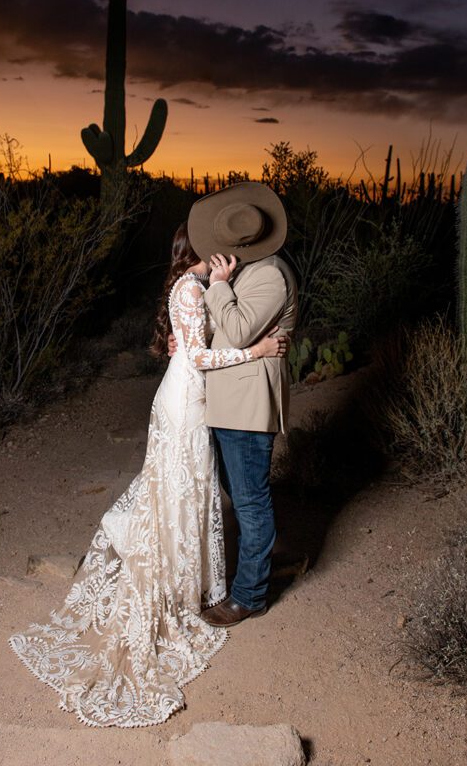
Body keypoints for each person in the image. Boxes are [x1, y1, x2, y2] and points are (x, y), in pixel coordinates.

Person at [8, 221, 286, 728]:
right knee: (175, 492)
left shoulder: (199, 285)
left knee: (190, 493)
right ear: (199, 251)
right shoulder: (188, 287)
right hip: (184, 402)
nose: (225, 252)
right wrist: (257, 352)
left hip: (195, 401)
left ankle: (190, 585)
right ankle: (165, 579)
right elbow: (199, 356)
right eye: (214, 247)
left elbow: (199, 340)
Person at [183, 180, 298, 627]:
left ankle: (250, 595)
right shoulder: (248, 272)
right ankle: (258, 568)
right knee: (239, 494)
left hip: (248, 404)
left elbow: (240, 330)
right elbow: (221, 330)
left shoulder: (268, 274)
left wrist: (216, 286)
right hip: (228, 400)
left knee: (250, 501)